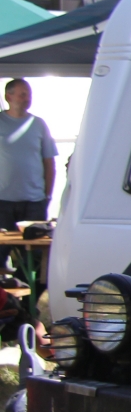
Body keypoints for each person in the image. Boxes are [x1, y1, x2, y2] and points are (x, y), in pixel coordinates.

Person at [0, 78, 57, 287]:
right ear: (9, 96)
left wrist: (47, 196)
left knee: (36, 257)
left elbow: (49, 162)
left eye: (29, 94)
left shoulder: (38, 124)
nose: (27, 99)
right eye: (22, 94)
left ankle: (24, 301)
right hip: (3, 202)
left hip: (34, 202)